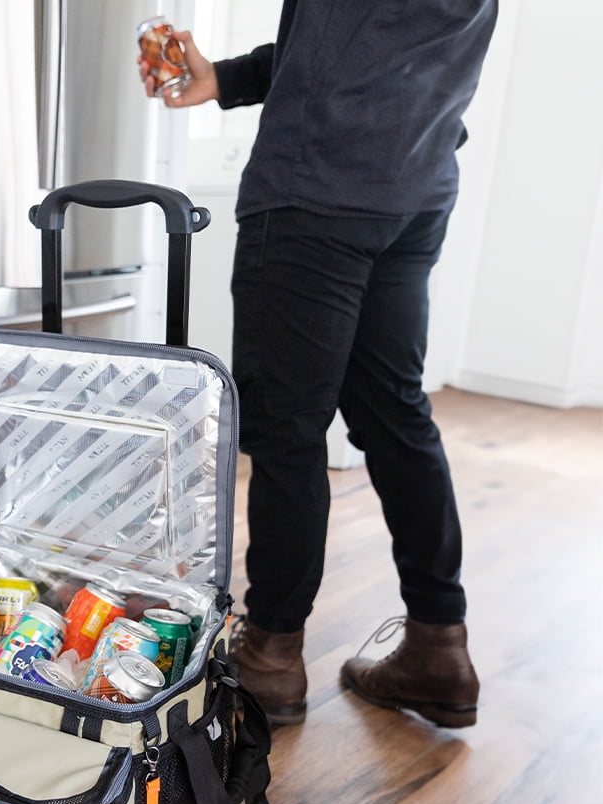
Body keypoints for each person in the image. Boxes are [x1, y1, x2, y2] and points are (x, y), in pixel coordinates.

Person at [139, 2, 498, 730]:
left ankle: (271, 651)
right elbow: (364, 43)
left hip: (317, 189)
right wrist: (226, 78)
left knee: (287, 429)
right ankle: (440, 646)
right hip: (414, 185)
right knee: (395, 414)